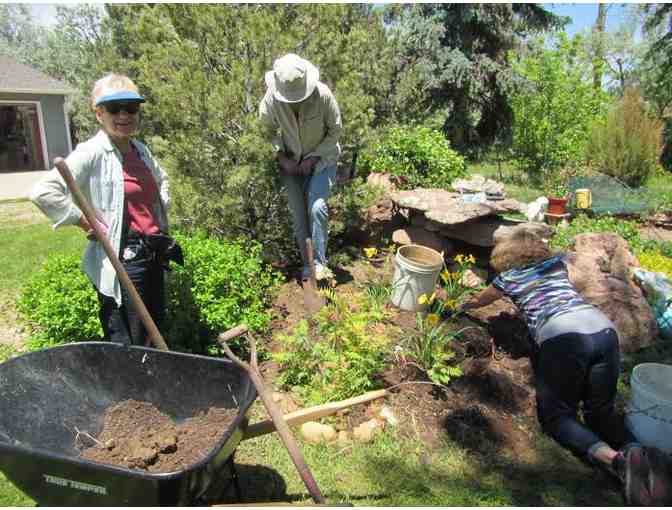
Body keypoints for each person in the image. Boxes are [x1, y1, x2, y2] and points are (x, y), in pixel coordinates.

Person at [459, 229, 658, 505]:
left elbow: (480, 300)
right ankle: (643, 456)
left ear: (505, 256)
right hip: (603, 330)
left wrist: (458, 304)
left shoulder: (508, 278)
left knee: (557, 417)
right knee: (601, 411)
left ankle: (616, 461)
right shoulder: (556, 264)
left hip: (564, 338)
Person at [30, 73, 172, 347]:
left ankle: (152, 375)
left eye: (131, 107)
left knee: (153, 337)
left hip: (153, 255)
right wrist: (85, 222)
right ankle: (129, 377)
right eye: (114, 108)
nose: (124, 115)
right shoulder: (92, 152)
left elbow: (162, 179)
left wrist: (158, 210)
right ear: (99, 114)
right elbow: (43, 192)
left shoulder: (139, 150)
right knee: (130, 342)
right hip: (124, 260)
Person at [259, 53, 342, 281]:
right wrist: (280, 156)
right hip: (290, 163)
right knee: (299, 215)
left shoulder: (322, 95)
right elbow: (265, 131)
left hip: (323, 159)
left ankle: (320, 264)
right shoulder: (271, 100)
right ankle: (307, 265)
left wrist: (313, 157)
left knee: (317, 208)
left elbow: (335, 131)